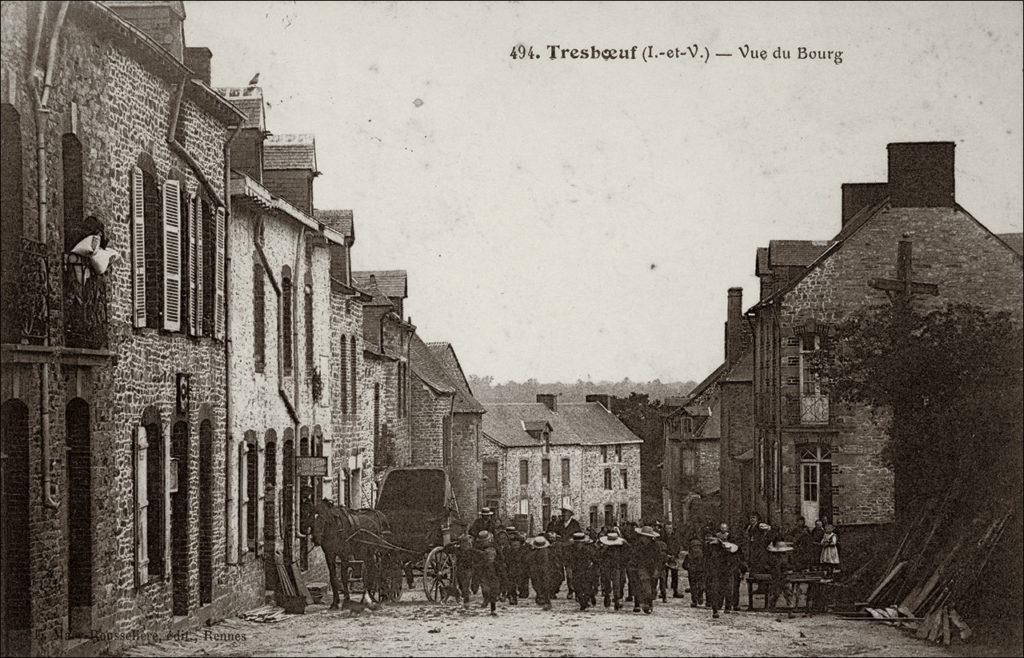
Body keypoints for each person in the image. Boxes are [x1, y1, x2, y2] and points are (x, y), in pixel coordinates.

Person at [705, 528, 739, 619]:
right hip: (721, 571)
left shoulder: (725, 550)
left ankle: (719, 608)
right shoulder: (727, 550)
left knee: (719, 589)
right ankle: (719, 608)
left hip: (722, 571)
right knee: (723, 589)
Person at [467, 531, 500, 615]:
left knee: (493, 587)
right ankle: (487, 599)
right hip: (482, 569)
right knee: (484, 586)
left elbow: (500, 558)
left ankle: (493, 607)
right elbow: (474, 559)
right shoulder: (476, 547)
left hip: (493, 569)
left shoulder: (494, 547)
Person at [632, 525, 663, 614]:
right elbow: (634, 556)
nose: (645, 539)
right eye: (644, 537)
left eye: (648, 537)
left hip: (653, 568)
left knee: (653, 586)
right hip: (641, 567)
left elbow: (659, 558)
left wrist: (657, 569)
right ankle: (644, 604)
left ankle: (649, 602)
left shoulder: (655, 546)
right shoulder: (637, 545)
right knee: (645, 585)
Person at [442, 533, 476, 609]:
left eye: (467, 543)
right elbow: (445, 549)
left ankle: (466, 602)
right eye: (463, 543)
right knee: (461, 585)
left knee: (465, 585)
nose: (466, 545)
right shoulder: (457, 550)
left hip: (468, 569)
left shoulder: (471, 551)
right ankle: (464, 599)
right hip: (460, 570)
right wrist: (454, 543)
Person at [566, 532, 598, 610]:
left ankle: (587, 600)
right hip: (576, 571)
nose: (578, 545)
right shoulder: (570, 549)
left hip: (587, 570)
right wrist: (569, 570)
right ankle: (582, 602)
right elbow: (568, 560)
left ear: (583, 543)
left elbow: (595, 559)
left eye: (580, 543)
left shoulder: (588, 549)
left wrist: (593, 567)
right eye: (577, 543)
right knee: (577, 587)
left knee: (587, 587)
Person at [598, 531, 628, 610]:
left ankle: (616, 598)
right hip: (607, 566)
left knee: (617, 583)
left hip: (617, 566)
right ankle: (608, 596)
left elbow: (626, 554)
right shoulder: (605, 548)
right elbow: (599, 555)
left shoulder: (621, 547)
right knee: (607, 581)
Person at [766, 538, 795, 617]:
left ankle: (790, 610)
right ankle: (771, 607)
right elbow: (768, 566)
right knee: (776, 593)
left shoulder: (787, 556)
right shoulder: (773, 557)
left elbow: (791, 565)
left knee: (788, 593)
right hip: (776, 576)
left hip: (785, 576)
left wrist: (789, 569)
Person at [528, 535, 554, 610]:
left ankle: (545, 599)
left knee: (542, 584)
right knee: (539, 584)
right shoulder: (534, 552)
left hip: (543, 570)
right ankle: (541, 597)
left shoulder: (546, 552)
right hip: (539, 570)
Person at [682, 538, 706, 608]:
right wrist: (688, 567)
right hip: (692, 574)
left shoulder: (703, 556)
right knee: (693, 588)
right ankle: (695, 600)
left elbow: (706, 564)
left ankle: (699, 596)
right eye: (694, 547)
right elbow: (684, 565)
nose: (696, 549)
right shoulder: (688, 556)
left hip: (701, 573)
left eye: (698, 547)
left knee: (701, 587)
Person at [663, 522, 683, 598]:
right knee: (664, 575)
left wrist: (674, 555)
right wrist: (666, 555)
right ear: (665, 529)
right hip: (665, 557)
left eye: (670, 528)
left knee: (675, 575)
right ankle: (663, 592)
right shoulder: (663, 537)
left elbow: (678, 546)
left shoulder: (675, 537)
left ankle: (675, 591)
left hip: (674, 557)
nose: (669, 530)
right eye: (667, 528)